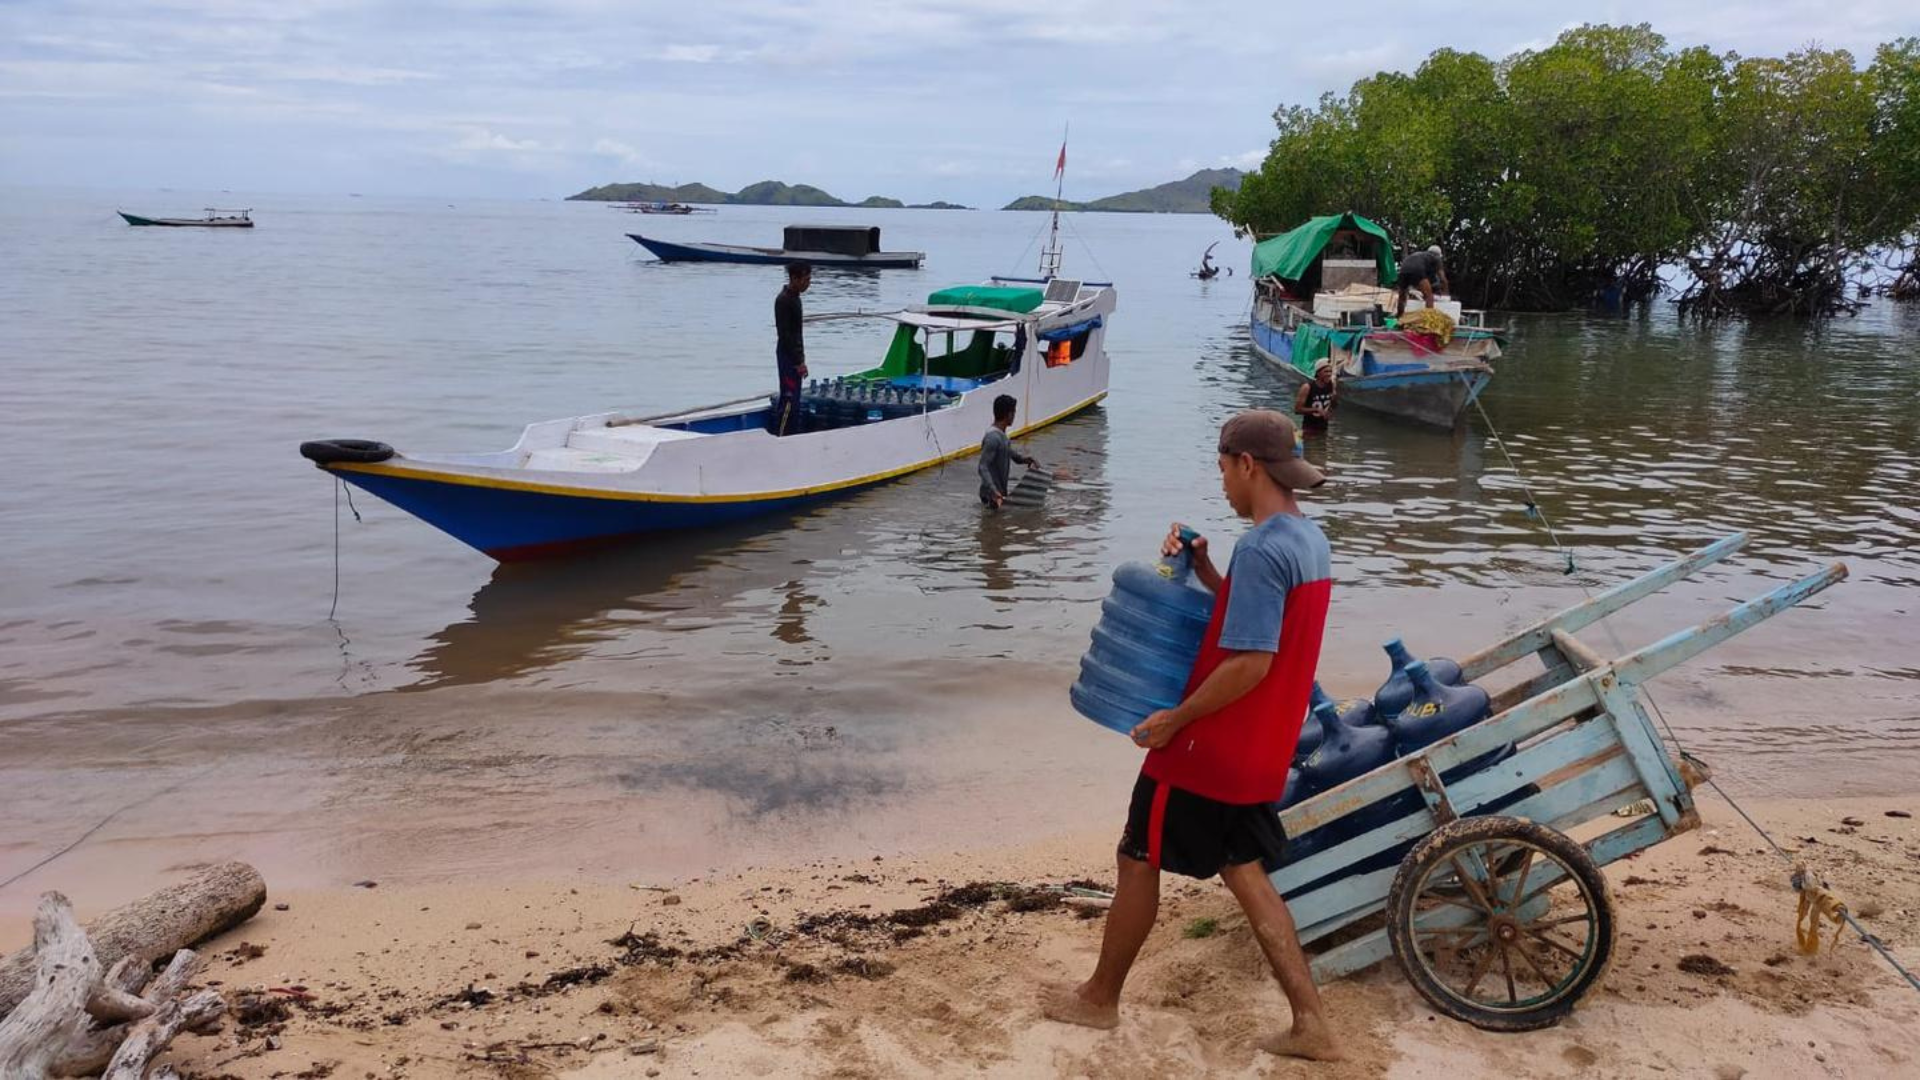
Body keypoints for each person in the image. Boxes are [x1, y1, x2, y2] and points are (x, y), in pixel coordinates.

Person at [1040, 409, 1341, 1063]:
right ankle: (1311, 1022)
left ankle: (1098, 999)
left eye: (1224, 470)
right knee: (1244, 868)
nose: (1225, 486)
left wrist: (1176, 721)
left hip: (1209, 750)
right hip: (1261, 744)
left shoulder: (1261, 547)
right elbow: (1261, 621)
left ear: (1247, 465)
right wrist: (1206, 569)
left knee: (1138, 856)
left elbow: (1250, 661)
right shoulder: (1305, 540)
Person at [770, 261, 811, 436]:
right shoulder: (783, 300)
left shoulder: (795, 298)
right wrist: (798, 362)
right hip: (788, 356)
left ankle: (793, 434)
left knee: (795, 399)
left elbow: (797, 335)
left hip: (795, 355)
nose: (808, 284)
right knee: (788, 400)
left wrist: (802, 359)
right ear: (794, 278)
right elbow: (785, 336)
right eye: (805, 280)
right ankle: (782, 435)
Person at [978, 394, 1036, 509]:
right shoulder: (993, 437)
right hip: (992, 496)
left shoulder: (1002, 436)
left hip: (998, 494)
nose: (1014, 416)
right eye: (1014, 412)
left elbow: (1011, 454)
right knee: (992, 525)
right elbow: (982, 467)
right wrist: (994, 491)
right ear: (1009, 414)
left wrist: (1025, 460)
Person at [1394, 244, 1448, 317]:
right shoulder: (1436, 258)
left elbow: (1422, 281)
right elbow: (1442, 278)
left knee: (1402, 296)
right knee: (1429, 297)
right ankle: (1428, 321)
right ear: (1438, 255)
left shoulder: (1420, 255)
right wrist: (1445, 293)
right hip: (1417, 270)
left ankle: (1399, 318)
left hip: (1403, 269)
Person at [1295, 360, 1337, 431]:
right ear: (1318, 373)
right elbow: (1297, 410)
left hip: (1324, 427)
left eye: (1330, 371)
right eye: (1326, 371)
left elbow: (1334, 405)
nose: (1329, 374)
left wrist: (1334, 399)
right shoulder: (1307, 387)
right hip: (1309, 428)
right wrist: (1317, 410)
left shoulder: (1331, 385)